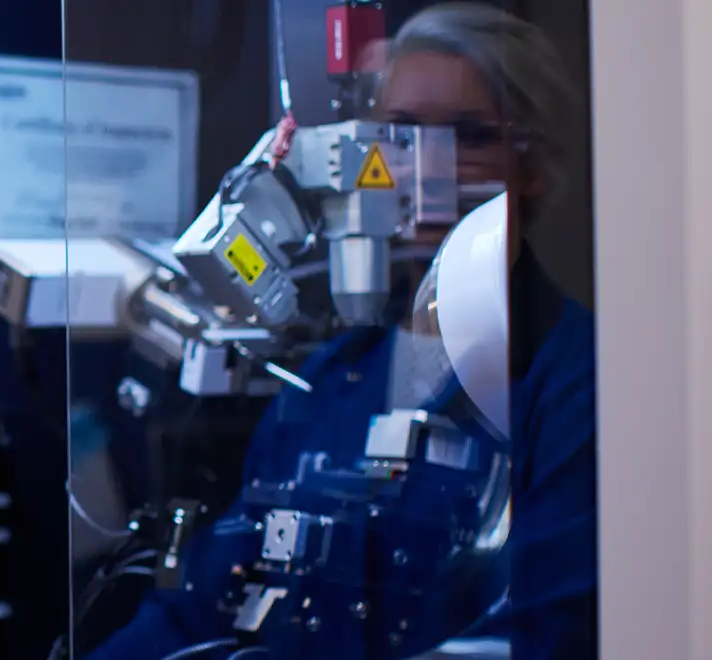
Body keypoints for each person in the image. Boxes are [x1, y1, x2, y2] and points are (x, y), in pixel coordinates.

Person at [86, 4, 596, 659]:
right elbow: (200, 608)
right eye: (400, 136)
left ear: (536, 165)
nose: (425, 168)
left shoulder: (575, 385)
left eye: (467, 137)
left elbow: (549, 633)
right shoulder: (330, 383)